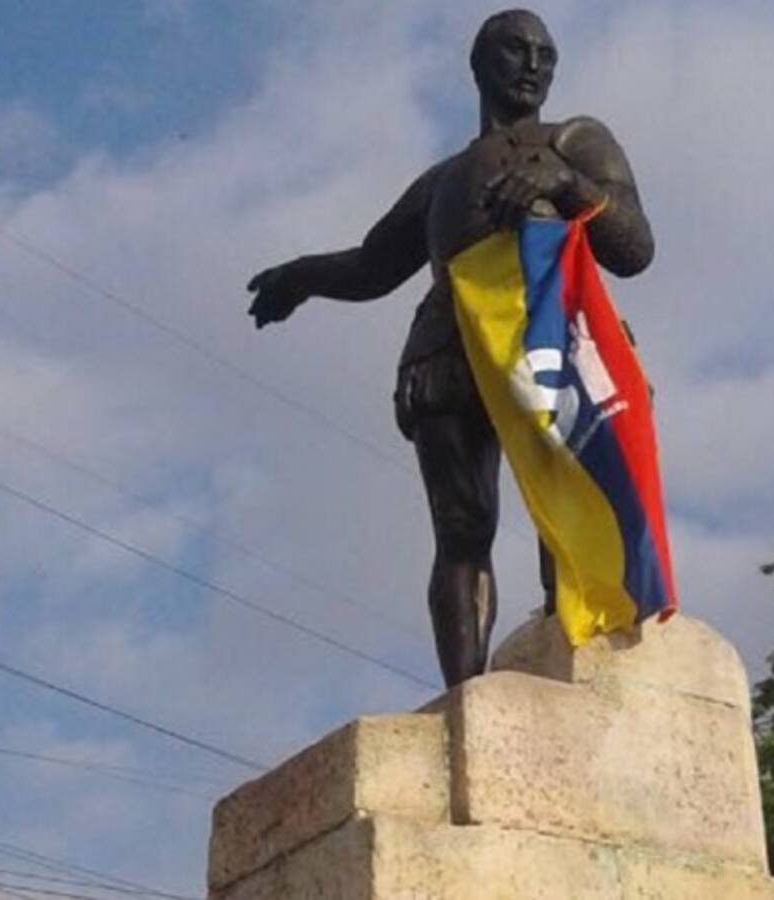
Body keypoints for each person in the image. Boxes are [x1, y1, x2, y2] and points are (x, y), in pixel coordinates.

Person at [246, 9, 654, 687]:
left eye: (545, 55)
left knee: (572, 500)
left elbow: (634, 246)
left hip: (550, 326)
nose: (532, 65)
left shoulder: (578, 140)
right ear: (478, 65)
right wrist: (301, 277)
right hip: (452, 343)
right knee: (463, 529)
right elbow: (372, 266)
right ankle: (466, 698)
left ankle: (573, 654)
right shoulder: (444, 181)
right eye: (515, 51)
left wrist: (566, 185)